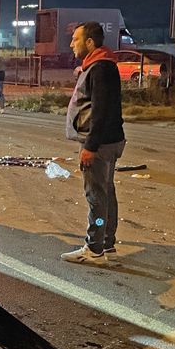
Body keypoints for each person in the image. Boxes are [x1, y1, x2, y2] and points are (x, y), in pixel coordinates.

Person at [61, 21, 126, 265]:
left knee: (96, 197)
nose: (71, 44)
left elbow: (100, 111)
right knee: (106, 192)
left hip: (98, 144)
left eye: (75, 40)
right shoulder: (100, 66)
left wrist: (90, 146)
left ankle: (95, 247)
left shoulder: (100, 69)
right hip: (108, 141)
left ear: (90, 42)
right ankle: (107, 244)